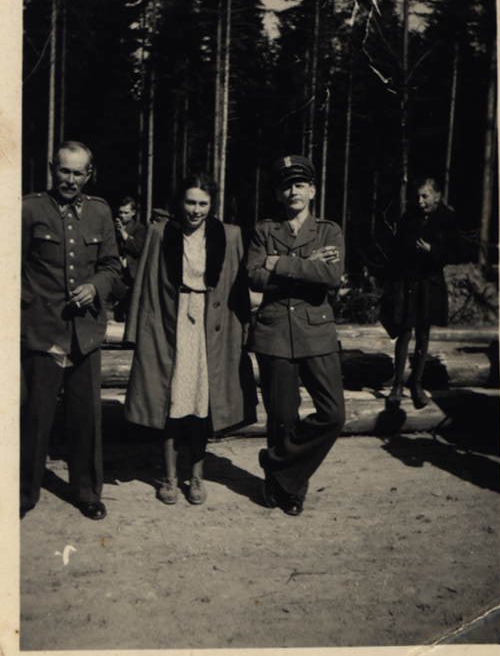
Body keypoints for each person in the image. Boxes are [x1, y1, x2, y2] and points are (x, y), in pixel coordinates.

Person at [123, 173, 258, 505]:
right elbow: (143, 283)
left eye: (203, 203)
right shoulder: (160, 232)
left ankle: (196, 476)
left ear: (212, 204)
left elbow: (239, 289)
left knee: (201, 403)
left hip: (212, 329)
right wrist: (136, 331)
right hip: (171, 325)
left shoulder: (229, 234)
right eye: (190, 202)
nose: (196, 210)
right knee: (171, 400)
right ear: (179, 203)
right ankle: (169, 476)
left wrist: (244, 332)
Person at [21, 141, 120, 519]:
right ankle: (23, 493)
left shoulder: (99, 211)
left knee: (85, 419)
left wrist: (95, 287)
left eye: (79, 173)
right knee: (35, 418)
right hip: (42, 332)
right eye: (64, 170)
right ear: (52, 169)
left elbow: (111, 265)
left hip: (85, 334)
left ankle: (87, 492)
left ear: (89, 175)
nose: (70, 179)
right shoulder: (29, 209)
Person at [246, 155, 346, 516]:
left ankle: (275, 462)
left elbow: (331, 277)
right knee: (282, 417)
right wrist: (308, 264)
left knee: (333, 414)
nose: (294, 192)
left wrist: (280, 263)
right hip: (274, 331)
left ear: (312, 191)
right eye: (287, 186)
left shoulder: (329, 231)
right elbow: (254, 276)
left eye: (300, 185)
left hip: (315, 330)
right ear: (278, 193)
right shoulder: (264, 230)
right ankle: (287, 489)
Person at [380, 177, 461, 409]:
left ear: (437, 196)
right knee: (404, 330)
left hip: (429, 284)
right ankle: (397, 386)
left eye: (425, 196)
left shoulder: (447, 219)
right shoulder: (410, 216)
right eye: (417, 196)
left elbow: (457, 253)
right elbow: (397, 248)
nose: (420, 201)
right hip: (408, 281)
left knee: (423, 333)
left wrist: (432, 250)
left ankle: (416, 384)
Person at [112, 196, 146, 320]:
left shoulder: (139, 228)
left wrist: (123, 233)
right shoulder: (112, 227)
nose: (122, 216)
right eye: (120, 212)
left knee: (131, 304)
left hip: (131, 272)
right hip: (117, 269)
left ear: (133, 213)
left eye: (126, 213)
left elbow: (138, 248)